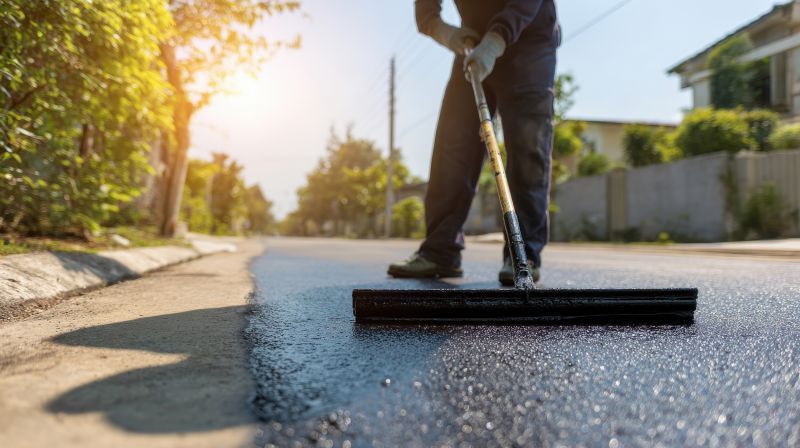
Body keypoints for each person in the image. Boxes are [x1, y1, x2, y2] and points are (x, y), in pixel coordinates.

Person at [388, 0, 560, 285]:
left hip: (530, 44)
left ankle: (523, 254)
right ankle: (440, 251)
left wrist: (496, 40)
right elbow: (426, 9)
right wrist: (441, 30)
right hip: (473, 42)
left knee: (529, 148)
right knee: (453, 146)